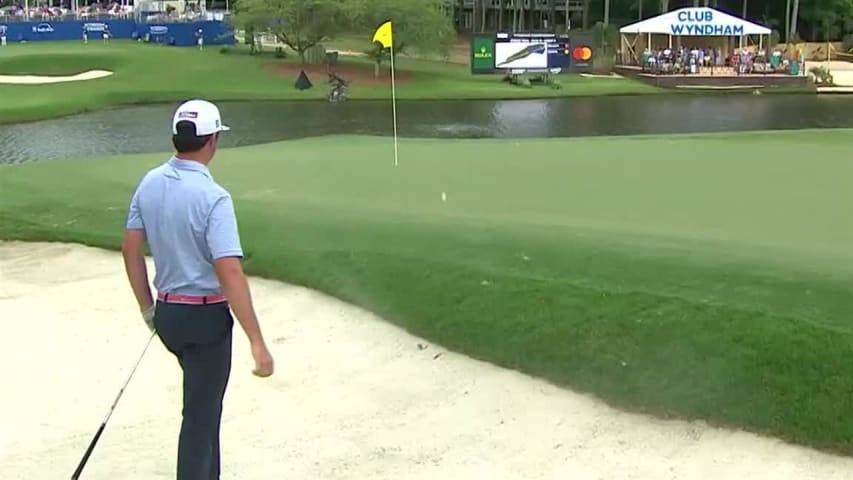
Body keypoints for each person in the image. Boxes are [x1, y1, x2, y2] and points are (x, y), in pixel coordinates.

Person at [121, 99, 275, 480]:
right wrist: (257, 340)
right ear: (212, 142)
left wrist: (147, 309)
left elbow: (130, 250)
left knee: (205, 410)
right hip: (205, 320)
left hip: (168, 316)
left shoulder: (150, 182)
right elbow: (230, 273)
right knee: (200, 421)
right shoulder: (214, 198)